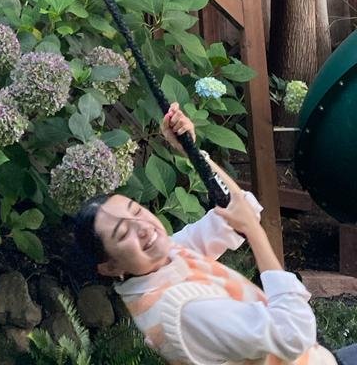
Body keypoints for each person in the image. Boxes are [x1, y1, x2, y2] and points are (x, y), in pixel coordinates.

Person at [75, 104, 336, 365]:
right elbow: (293, 335)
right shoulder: (184, 311)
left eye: (137, 210)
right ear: (109, 267)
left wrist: (193, 153)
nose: (143, 227)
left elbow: (238, 210)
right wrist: (255, 234)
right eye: (123, 234)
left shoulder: (161, 261)